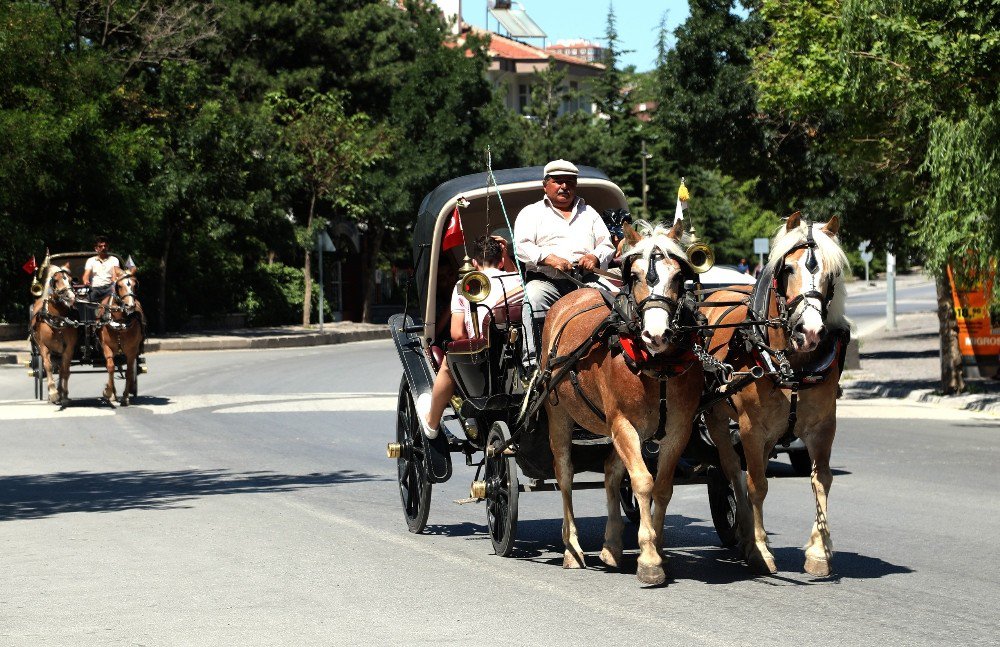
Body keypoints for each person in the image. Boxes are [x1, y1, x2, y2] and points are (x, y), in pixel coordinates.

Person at [416, 235, 524, 438]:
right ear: (501, 260)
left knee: (449, 362)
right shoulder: (519, 281)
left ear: (474, 263)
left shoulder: (464, 285)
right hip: (519, 348)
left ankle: (432, 423)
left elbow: (456, 334)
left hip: (482, 357)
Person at [513, 159, 615, 363]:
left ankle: (613, 356)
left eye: (570, 182)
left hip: (585, 281)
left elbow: (607, 245)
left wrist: (594, 256)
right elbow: (521, 247)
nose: (564, 186)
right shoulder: (531, 213)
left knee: (617, 299)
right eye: (558, 181)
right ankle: (533, 363)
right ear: (545, 185)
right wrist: (549, 258)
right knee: (532, 299)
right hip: (546, 282)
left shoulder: (590, 214)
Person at [81, 236, 122, 304]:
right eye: (100, 246)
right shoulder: (90, 260)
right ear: (96, 249)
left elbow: (114, 275)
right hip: (95, 289)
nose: (103, 248)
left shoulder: (114, 259)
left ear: (107, 247)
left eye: (105, 246)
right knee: (84, 303)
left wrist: (113, 284)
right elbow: (86, 275)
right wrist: (86, 281)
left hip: (109, 288)